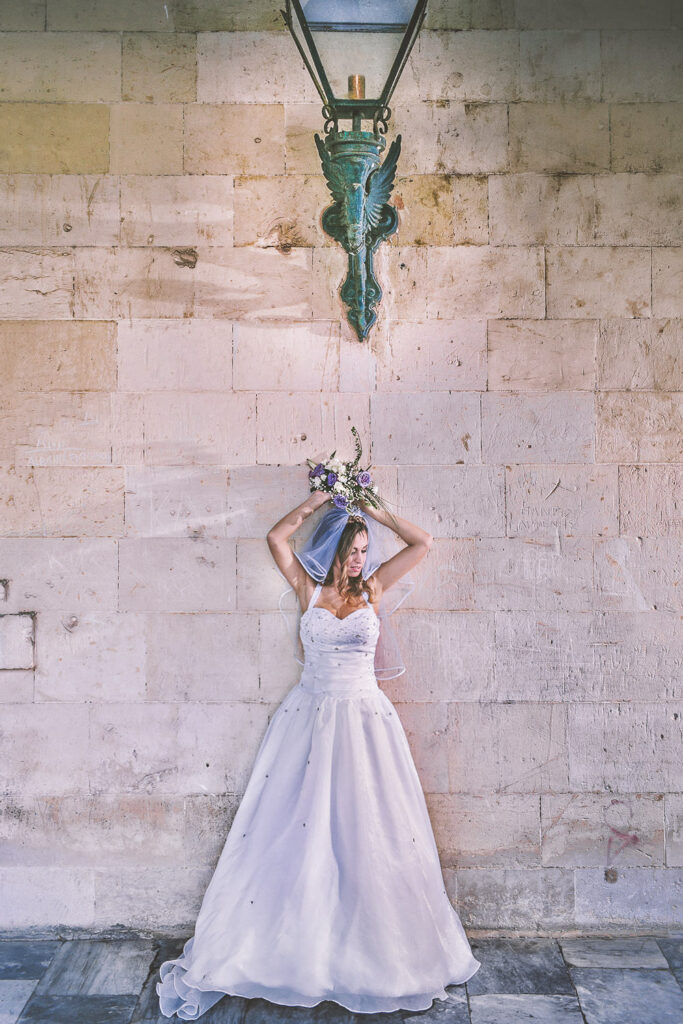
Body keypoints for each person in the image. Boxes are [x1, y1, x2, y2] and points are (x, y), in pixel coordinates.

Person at [156, 488, 480, 1019]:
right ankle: (292, 948)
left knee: (370, 830)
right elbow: (275, 537)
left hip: (365, 723)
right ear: (332, 550)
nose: (359, 558)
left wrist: (367, 505)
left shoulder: (374, 589)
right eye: (351, 549)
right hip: (308, 719)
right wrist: (318, 499)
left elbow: (422, 542)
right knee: (293, 829)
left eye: (363, 549)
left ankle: (378, 951)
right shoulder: (307, 588)